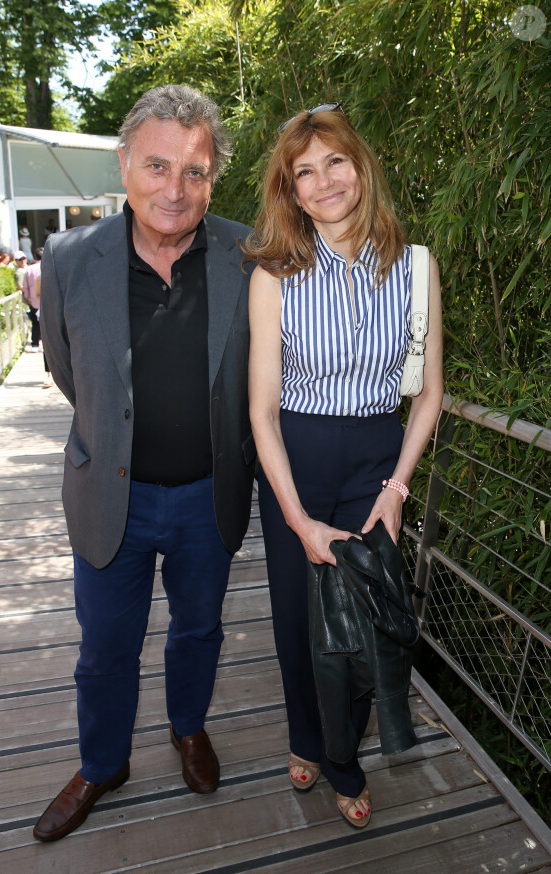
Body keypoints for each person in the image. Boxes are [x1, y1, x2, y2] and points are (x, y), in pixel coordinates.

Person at [34, 84, 256, 842]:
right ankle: (102, 764)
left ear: (212, 179)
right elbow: (71, 374)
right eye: (158, 166)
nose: (175, 188)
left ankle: (187, 728)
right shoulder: (68, 258)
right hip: (109, 499)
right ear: (125, 162)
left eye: (195, 172)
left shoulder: (248, 253)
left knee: (199, 630)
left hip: (207, 496)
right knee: (103, 649)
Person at [244, 105, 443, 829]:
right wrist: (295, 517)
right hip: (294, 455)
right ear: (291, 191)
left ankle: (343, 755)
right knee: (301, 615)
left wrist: (398, 487)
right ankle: (307, 736)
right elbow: (261, 412)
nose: (324, 181)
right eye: (305, 171)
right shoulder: (275, 276)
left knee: (362, 616)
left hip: (374, 459)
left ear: (361, 167)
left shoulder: (416, 267)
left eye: (335, 162)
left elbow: (429, 395)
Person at [22, 247, 42, 353]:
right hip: (49, 302)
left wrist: (28, 298)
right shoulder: (49, 266)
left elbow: (25, 286)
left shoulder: (29, 269)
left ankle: (35, 344)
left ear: (35, 256)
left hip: (34, 300)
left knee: (36, 323)